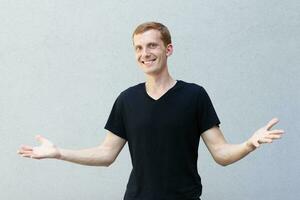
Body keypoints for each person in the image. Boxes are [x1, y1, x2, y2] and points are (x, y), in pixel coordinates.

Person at [17, 22, 284, 200]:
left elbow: (221, 153)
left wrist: (249, 143)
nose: (145, 53)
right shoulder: (127, 99)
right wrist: (59, 153)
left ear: (168, 49)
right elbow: (106, 153)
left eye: (152, 45)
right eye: (139, 47)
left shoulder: (194, 96)